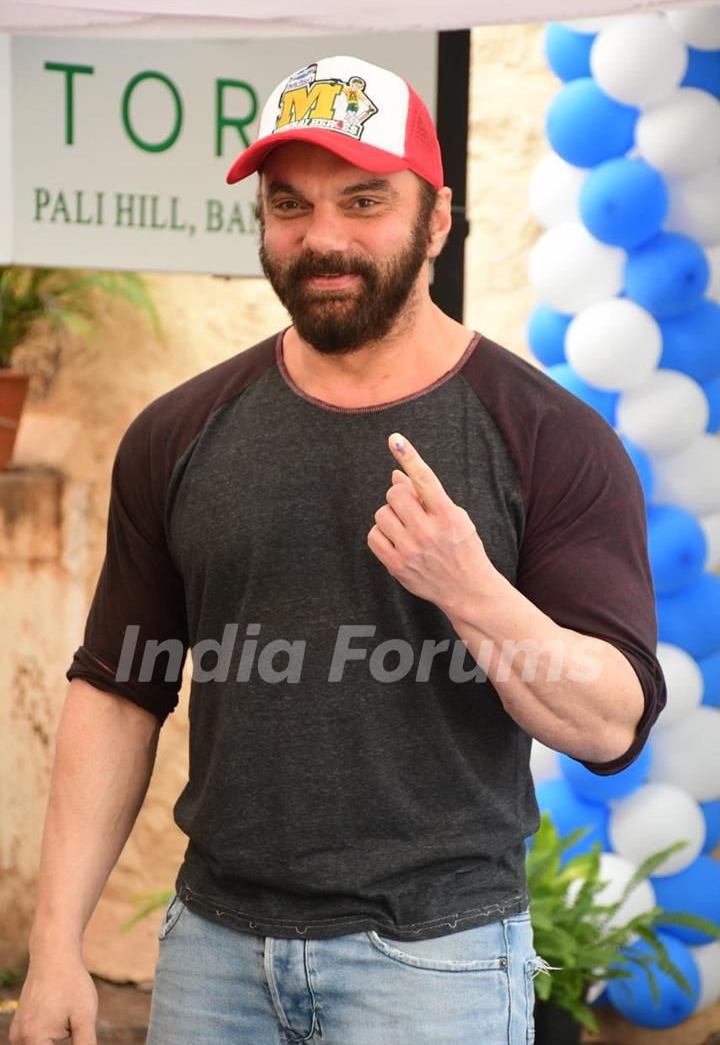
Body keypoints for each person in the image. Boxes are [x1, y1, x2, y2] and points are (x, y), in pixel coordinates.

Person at [10, 54, 666, 1045]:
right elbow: (118, 688)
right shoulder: (178, 433)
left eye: (365, 201)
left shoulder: (549, 437)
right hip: (211, 957)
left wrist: (471, 588)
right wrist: (57, 942)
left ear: (438, 217)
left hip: (434, 965)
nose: (323, 236)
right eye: (290, 204)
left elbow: (611, 724)